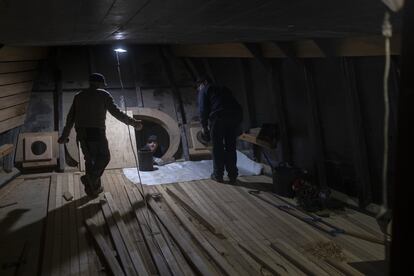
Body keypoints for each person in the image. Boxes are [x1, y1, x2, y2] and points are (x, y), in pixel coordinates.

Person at [58, 73, 143, 197]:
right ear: (99, 83)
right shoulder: (103, 94)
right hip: (95, 132)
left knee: (89, 161)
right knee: (104, 158)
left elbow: (70, 118)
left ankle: (93, 190)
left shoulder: (79, 96)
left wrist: (65, 136)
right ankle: (90, 179)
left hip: (81, 133)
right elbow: (116, 113)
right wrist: (133, 123)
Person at [196, 75, 243, 184]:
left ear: (204, 82)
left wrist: (204, 126)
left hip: (219, 117)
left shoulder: (205, 89)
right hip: (234, 116)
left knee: (217, 147)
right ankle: (233, 175)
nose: (199, 88)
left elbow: (203, 109)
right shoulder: (224, 88)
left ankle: (218, 175)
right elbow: (235, 103)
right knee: (231, 146)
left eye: (199, 85)